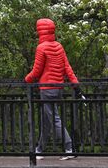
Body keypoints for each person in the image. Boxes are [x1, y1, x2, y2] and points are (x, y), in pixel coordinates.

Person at [24, 18, 80, 161]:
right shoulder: (59, 46)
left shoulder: (41, 48)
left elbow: (36, 71)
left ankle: (69, 147)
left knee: (53, 119)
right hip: (58, 88)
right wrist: (75, 83)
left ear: (40, 31)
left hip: (46, 88)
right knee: (47, 119)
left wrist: (26, 79)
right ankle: (39, 149)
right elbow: (67, 67)